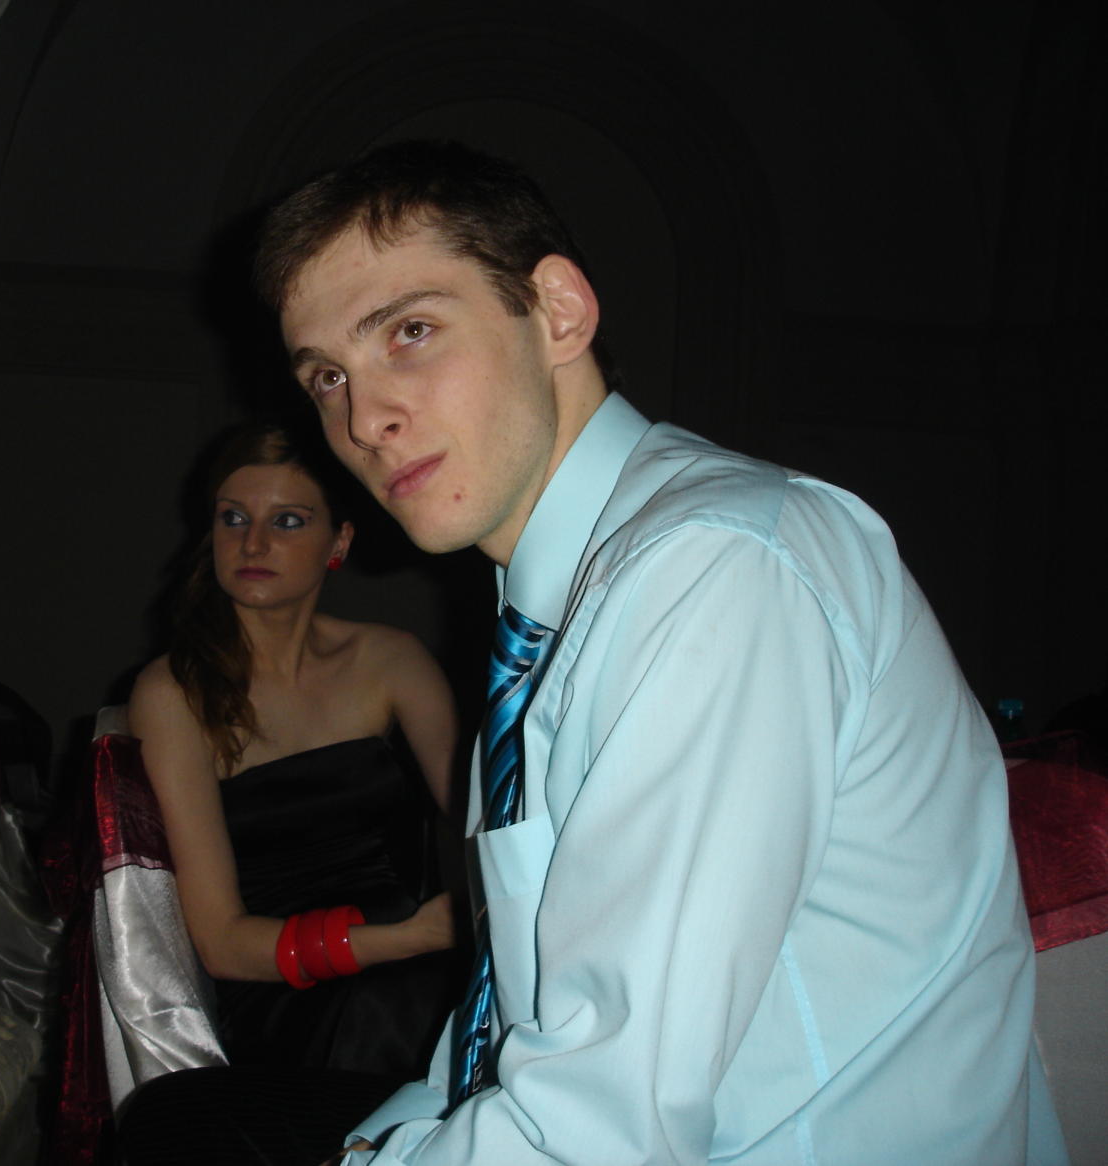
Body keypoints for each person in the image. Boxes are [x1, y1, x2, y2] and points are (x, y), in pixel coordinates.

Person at [252, 141, 1067, 1165]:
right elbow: (521, 1011)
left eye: (409, 332)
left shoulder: (716, 569)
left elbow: (601, 1126)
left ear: (558, 311)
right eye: (327, 377)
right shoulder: (561, 603)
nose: (364, 419)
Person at [120, 421, 463, 1163]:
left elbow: (489, 822)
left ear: (338, 543)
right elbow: (220, 942)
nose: (252, 543)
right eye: (233, 518)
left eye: (287, 521)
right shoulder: (173, 692)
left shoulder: (390, 660)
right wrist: (409, 938)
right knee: (402, 1005)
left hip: (414, 960)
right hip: (279, 987)